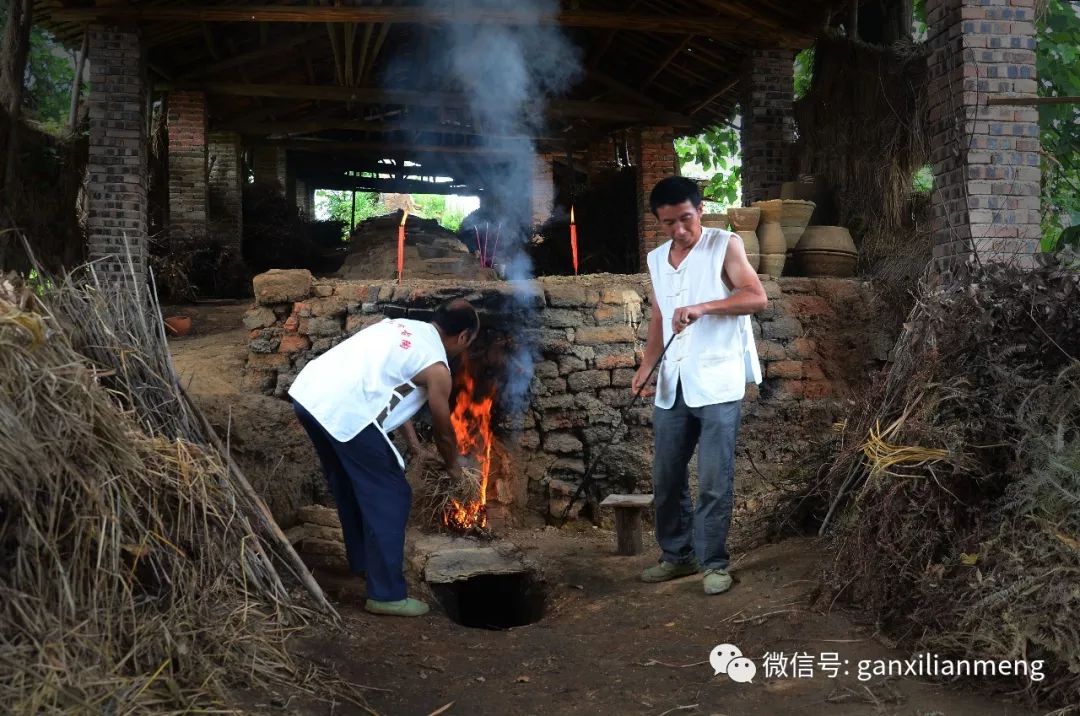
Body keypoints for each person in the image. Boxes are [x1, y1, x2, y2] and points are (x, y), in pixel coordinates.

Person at [289, 299, 479, 617]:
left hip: (309, 394)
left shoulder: (399, 328)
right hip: (345, 409)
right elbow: (444, 430)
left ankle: (364, 564)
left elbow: (389, 390)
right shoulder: (438, 369)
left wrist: (415, 446)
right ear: (463, 338)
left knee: (350, 485)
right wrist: (453, 469)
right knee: (392, 495)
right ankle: (386, 594)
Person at [631, 176, 767, 595]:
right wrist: (647, 365)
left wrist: (704, 307)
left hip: (717, 380)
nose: (679, 230)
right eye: (669, 223)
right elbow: (659, 315)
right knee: (666, 476)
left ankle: (714, 563)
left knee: (712, 478)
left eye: (686, 219)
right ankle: (678, 555)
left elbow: (755, 296)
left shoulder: (724, 245)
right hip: (674, 381)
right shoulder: (656, 259)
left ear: (700, 210)